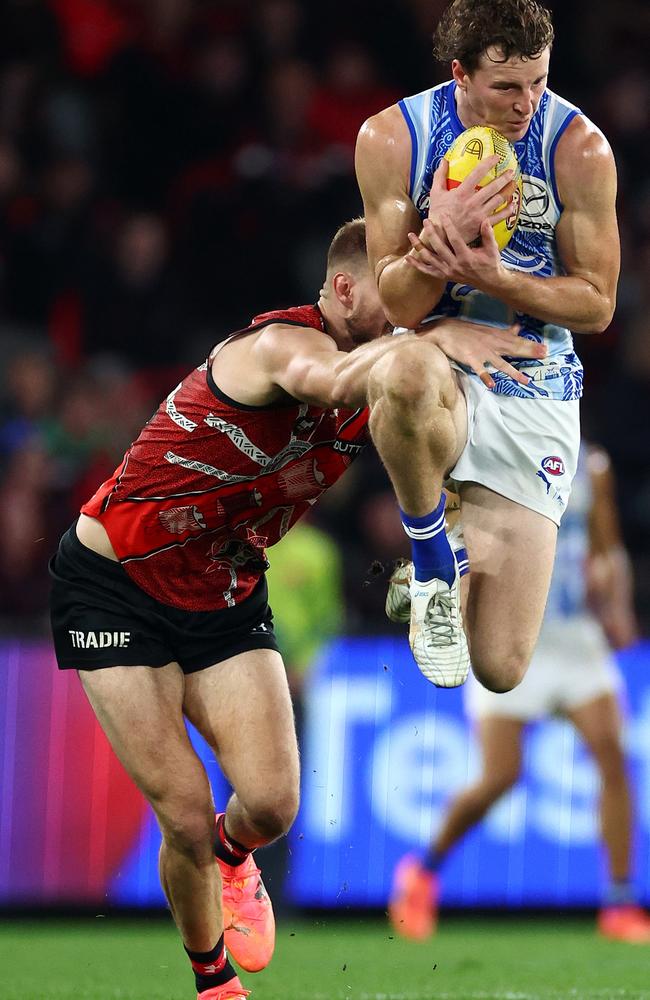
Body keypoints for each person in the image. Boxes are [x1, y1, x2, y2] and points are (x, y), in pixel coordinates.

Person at [48, 219, 545, 1000]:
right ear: (346, 289)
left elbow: (427, 435)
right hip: (114, 583)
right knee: (181, 810)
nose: (408, 316)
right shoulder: (278, 346)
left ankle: (233, 856)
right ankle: (214, 984)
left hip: (225, 589)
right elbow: (334, 381)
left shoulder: (391, 373)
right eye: (397, 302)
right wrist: (434, 340)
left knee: (273, 805)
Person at [355, 0, 619, 693]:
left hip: (536, 382)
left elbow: (596, 302)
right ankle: (433, 557)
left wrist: (495, 278)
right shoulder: (394, 140)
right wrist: (439, 240)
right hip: (439, 370)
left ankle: (452, 547)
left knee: (499, 669)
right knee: (403, 368)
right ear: (460, 75)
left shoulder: (579, 148)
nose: (526, 103)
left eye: (538, 82)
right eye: (506, 87)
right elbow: (398, 306)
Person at [388, 444, 650, 943]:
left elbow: (607, 546)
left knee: (613, 758)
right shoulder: (489, 454)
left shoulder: (593, 466)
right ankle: (421, 873)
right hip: (508, 635)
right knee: (500, 776)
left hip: (574, 637)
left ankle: (619, 902)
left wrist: (616, 605)